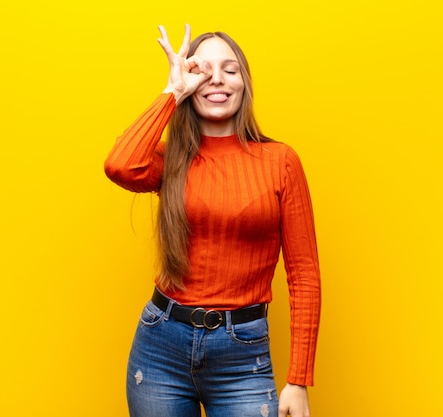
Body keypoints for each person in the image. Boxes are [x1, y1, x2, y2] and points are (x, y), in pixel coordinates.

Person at [104, 24, 321, 417]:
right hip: (160, 347)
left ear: (245, 83)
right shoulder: (171, 160)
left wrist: (298, 379)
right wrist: (172, 92)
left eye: (230, 69)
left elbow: (304, 275)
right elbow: (120, 165)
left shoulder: (280, 162)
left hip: (243, 357)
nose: (217, 80)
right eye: (202, 70)